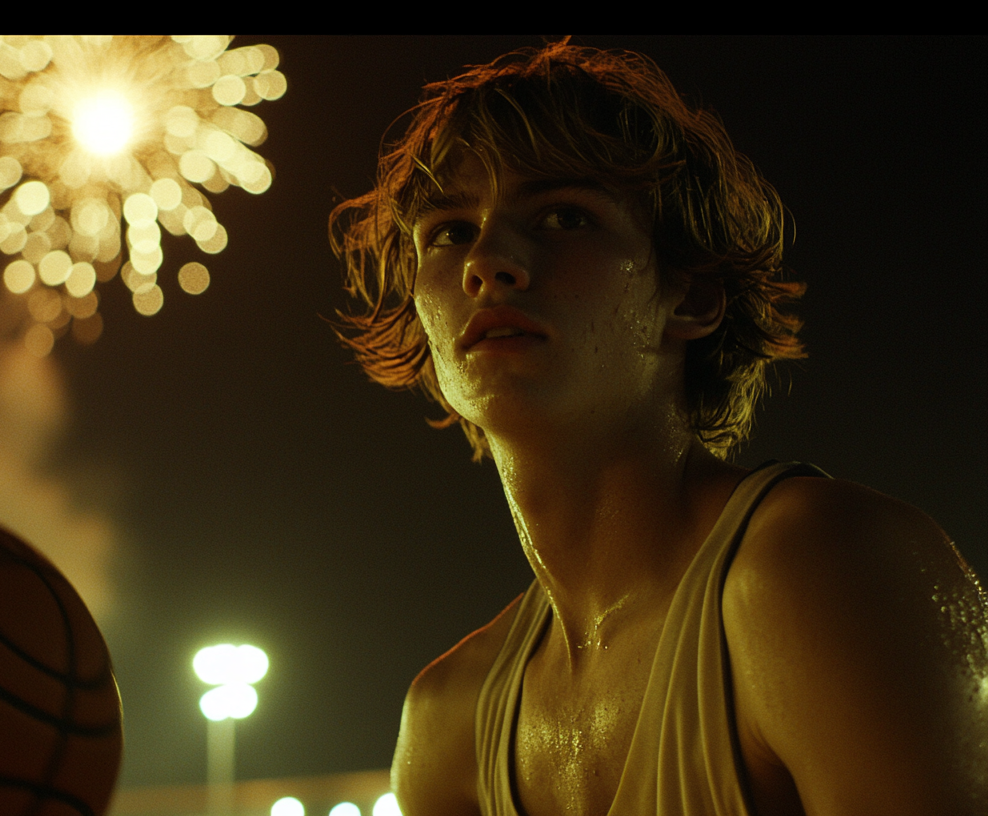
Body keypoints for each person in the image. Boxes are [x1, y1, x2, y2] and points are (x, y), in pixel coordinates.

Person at [332, 42, 987, 816]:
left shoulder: (816, 570)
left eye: (564, 216)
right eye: (447, 231)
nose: (491, 260)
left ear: (692, 298)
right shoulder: (449, 720)